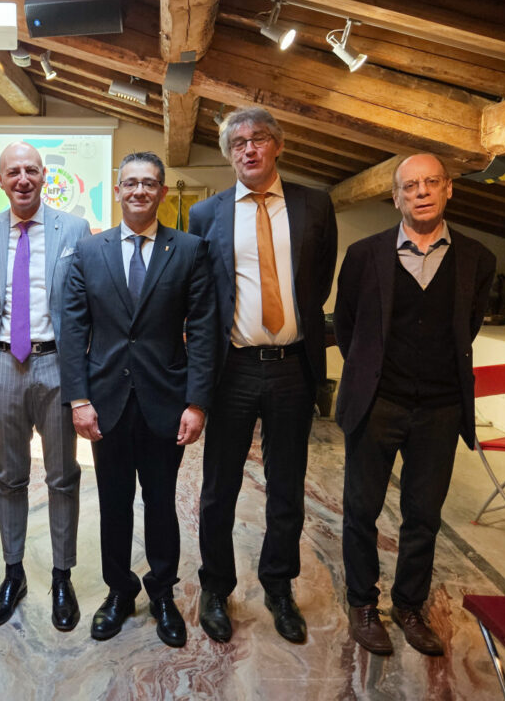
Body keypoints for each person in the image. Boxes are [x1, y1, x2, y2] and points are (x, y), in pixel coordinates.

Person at [188, 106, 337, 645]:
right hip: (233, 368)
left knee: (287, 487)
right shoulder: (205, 214)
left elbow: (319, 280)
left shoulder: (314, 204)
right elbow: (204, 298)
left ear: (277, 145)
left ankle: (278, 585)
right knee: (218, 488)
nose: (248, 149)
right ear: (229, 154)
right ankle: (215, 586)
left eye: (258, 139)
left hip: (293, 366)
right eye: (238, 143)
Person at [335, 153, 494, 656]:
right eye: (410, 186)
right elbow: (347, 326)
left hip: (441, 409)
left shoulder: (477, 258)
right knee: (361, 510)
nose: (421, 192)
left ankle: (409, 606)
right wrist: (371, 373)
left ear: (449, 189)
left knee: (423, 515)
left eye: (431, 182)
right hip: (377, 402)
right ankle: (363, 604)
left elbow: (467, 326)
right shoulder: (364, 255)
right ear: (395, 197)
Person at [59, 152, 216, 648]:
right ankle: (119, 591)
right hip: (105, 401)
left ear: (162, 192)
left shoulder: (189, 250)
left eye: (149, 183)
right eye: (130, 183)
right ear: (118, 190)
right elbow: (73, 329)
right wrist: (78, 399)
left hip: (166, 401)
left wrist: (197, 403)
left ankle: (162, 593)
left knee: (161, 502)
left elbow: (204, 330)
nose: (139, 191)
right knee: (113, 502)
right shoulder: (89, 250)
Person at [0, 142, 90, 631]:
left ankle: (62, 577)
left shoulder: (74, 229)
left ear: (44, 177)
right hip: (3, 366)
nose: (23, 179)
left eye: (31, 171)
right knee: (9, 476)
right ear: (0, 180)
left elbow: (86, 302)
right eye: (13, 172)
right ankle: (13, 574)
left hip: (57, 364)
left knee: (62, 477)